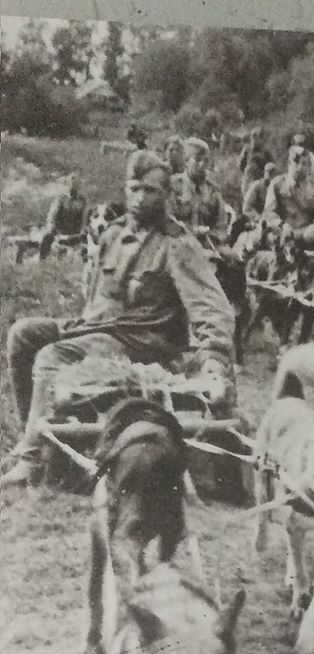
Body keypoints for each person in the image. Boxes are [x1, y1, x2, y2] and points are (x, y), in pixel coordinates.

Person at [0, 150, 235, 490]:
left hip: (141, 341)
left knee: (53, 355)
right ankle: (40, 443)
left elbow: (211, 307)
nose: (140, 198)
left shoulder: (176, 244)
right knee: (22, 334)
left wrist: (213, 354)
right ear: (125, 188)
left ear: (166, 195)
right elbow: (97, 299)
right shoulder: (112, 234)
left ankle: (35, 460)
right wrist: (79, 326)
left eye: (151, 191)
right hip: (99, 327)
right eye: (134, 188)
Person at [168, 137, 229, 245]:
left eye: (205, 160)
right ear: (186, 161)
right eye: (197, 159)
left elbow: (221, 226)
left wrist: (212, 238)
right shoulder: (173, 186)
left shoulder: (213, 191)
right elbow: (167, 219)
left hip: (207, 244)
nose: (202, 164)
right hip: (178, 244)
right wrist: (190, 233)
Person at [262, 137, 314, 230]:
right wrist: (282, 225)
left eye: (304, 163)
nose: (299, 167)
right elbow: (269, 213)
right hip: (283, 231)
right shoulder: (276, 184)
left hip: (309, 233)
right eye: (296, 161)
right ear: (289, 163)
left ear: (309, 167)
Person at [39, 173, 88, 260]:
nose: (74, 187)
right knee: (47, 236)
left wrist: (82, 230)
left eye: (76, 184)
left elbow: (84, 218)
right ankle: (42, 260)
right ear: (68, 185)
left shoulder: (82, 201)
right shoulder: (61, 199)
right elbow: (52, 217)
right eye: (71, 184)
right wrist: (54, 231)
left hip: (75, 232)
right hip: (59, 231)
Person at [238, 127, 273, 200]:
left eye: (256, 137)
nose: (254, 140)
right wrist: (247, 171)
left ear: (261, 139)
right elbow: (241, 164)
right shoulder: (247, 149)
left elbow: (271, 164)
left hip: (260, 179)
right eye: (252, 137)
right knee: (247, 199)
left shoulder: (265, 151)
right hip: (248, 178)